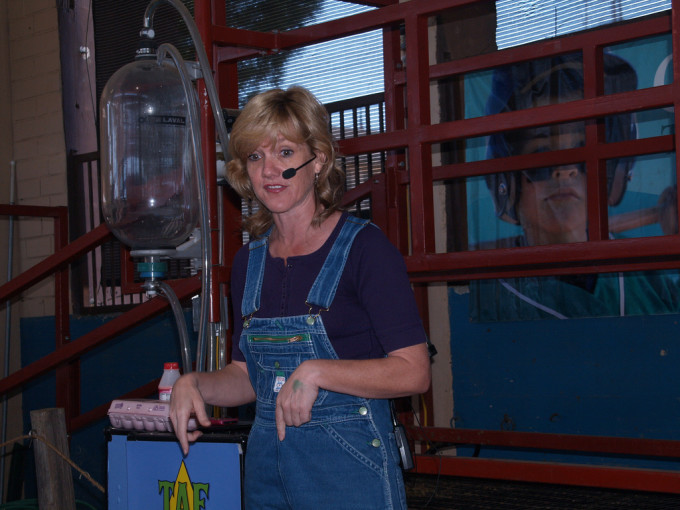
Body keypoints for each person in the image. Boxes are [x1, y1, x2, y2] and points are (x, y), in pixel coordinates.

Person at [170, 86, 431, 509]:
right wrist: (194, 383)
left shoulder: (364, 250)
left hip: (349, 468)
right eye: (256, 157)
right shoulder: (248, 263)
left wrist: (315, 372)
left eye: (286, 153)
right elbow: (247, 377)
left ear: (319, 160)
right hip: (266, 471)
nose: (270, 170)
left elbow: (413, 373)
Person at [471, 53, 680, 320]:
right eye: (543, 152)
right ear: (506, 180)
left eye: (583, 151)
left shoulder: (642, 273)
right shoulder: (488, 294)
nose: (566, 169)